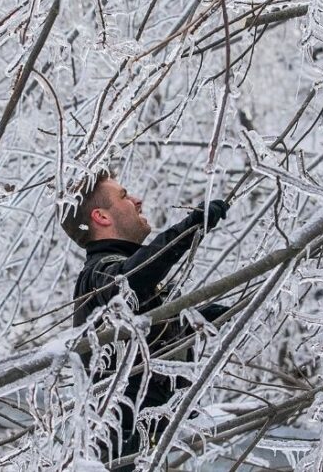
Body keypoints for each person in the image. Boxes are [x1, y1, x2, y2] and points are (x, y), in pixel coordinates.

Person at [62, 172, 229, 470]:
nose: (138, 200)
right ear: (101, 216)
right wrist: (188, 229)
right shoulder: (100, 274)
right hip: (120, 447)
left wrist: (194, 322)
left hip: (146, 441)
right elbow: (130, 280)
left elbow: (145, 339)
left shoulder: (117, 277)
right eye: (124, 196)